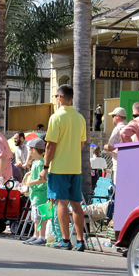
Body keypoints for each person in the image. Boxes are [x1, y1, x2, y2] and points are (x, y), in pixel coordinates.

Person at [39, 85, 88, 251]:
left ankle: (65, 239)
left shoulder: (56, 117)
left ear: (59, 98)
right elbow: (81, 144)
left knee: (61, 202)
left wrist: (45, 166)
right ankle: (80, 240)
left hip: (59, 167)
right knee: (76, 204)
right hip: (75, 167)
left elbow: (50, 145)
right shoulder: (80, 118)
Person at [22, 138, 49, 246]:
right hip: (35, 194)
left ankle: (41, 236)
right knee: (35, 217)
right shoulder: (36, 162)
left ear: (34, 150)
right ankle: (36, 235)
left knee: (40, 216)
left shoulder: (40, 163)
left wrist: (31, 183)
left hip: (40, 193)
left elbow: (43, 179)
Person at [104, 106, 127, 183]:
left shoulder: (118, 128)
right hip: (128, 162)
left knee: (117, 186)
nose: (112, 118)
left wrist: (105, 147)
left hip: (118, 162)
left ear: (117, 116)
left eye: (113, 116)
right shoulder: (129, 127)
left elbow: (110, 147)